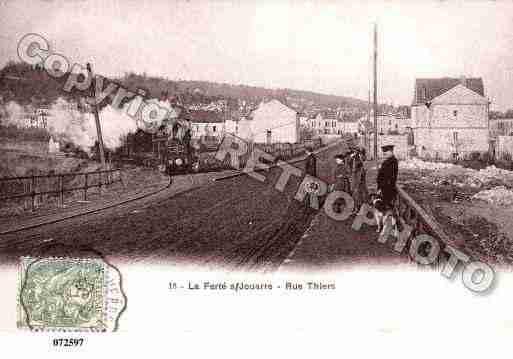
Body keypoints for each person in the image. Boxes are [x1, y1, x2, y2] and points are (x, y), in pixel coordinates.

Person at [376, 145, 398, 210]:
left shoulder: (392, 161)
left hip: (387, 190)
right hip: (383, 189)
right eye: (383, 152)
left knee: (385, 209)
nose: (384, 153)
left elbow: (389, 177)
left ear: (391, 152)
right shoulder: (387, 161)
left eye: (386, 152)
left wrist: (381, 188)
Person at [350, 148, 369, 213]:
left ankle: (359, 208)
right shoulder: (354, 158)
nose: (354, 153)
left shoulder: (359, 159)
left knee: (359, 192)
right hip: (356, 176)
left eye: (356, 151)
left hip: (359, 177)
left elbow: (359, 167)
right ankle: (358, 208)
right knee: (358, 192)